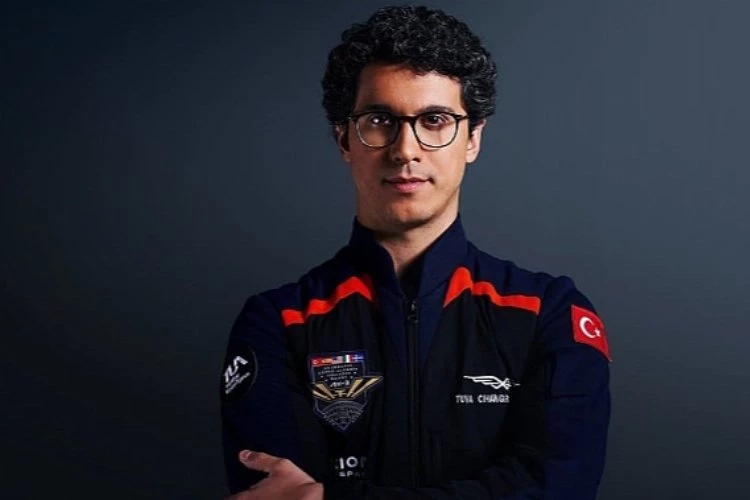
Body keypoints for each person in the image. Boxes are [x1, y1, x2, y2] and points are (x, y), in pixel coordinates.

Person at [220, 5, 611, 499]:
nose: (406, 149)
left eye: (435, 120)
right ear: (344, 139)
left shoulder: (547, 314)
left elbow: (559, 490)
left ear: (473, 138)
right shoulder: (278, 323)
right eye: (379, 120)